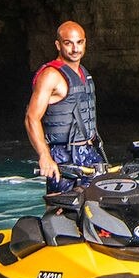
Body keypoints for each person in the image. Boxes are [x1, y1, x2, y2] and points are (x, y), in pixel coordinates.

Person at [26, 21, 104, 184]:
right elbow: (31, 118)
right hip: (63, 154)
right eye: (68, 43)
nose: (75, 49)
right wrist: (44, 155)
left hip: (89, 151)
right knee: (63, 207)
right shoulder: (50, 75)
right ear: (58, 45)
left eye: (79, 42)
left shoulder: (83, 72)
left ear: (85, 42)